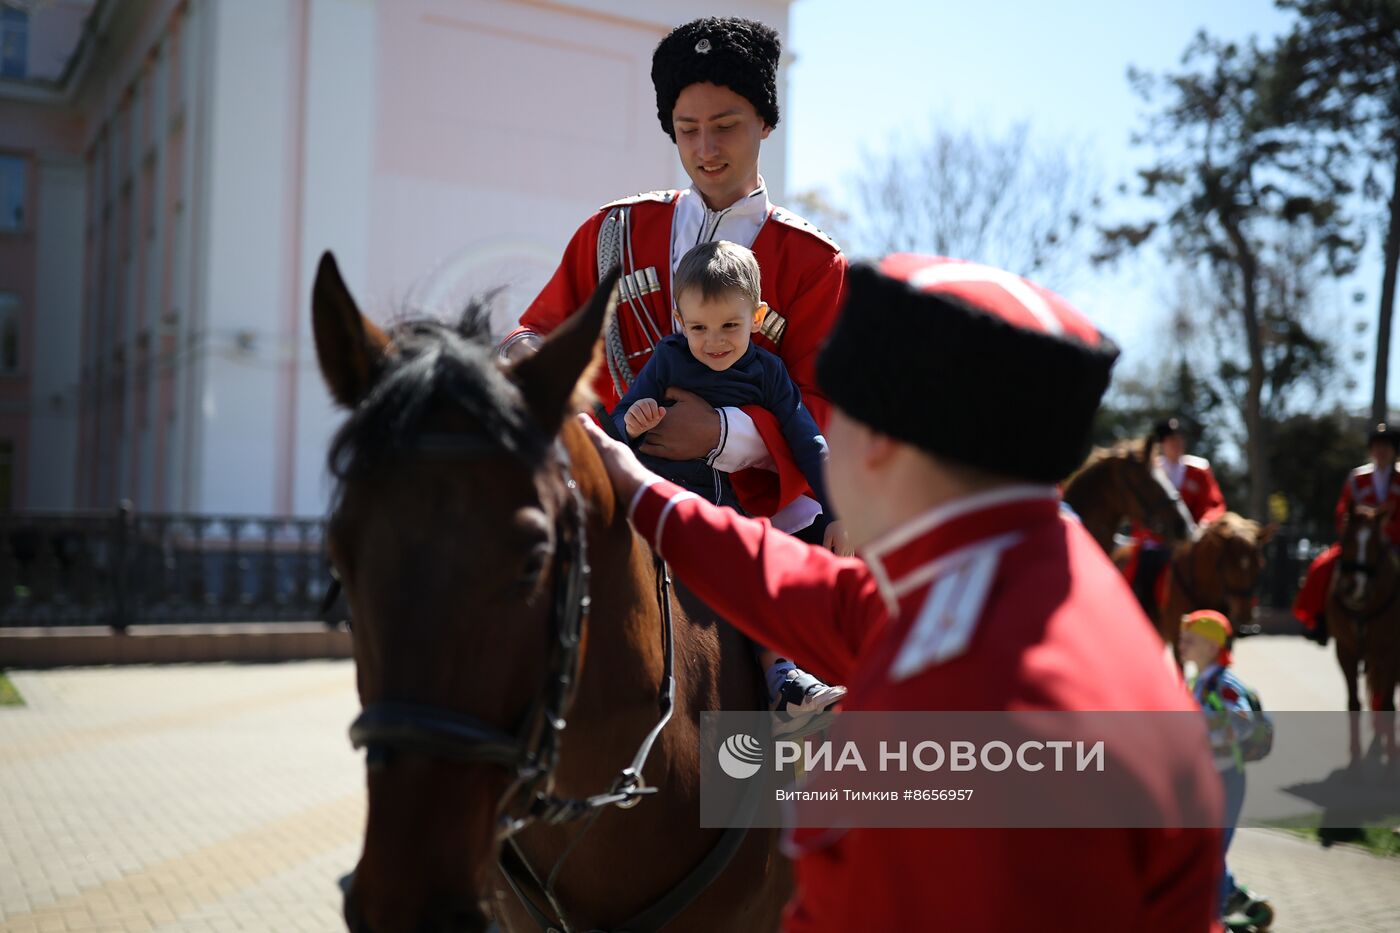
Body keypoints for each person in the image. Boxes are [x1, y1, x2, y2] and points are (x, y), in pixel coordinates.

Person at [578, 254, 1224, 932]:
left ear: (879, 441)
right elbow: (822, 596)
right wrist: (642, 490)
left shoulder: (980, 700)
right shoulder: (1023, 575)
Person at [502, 16, 846, 542]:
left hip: (759, 527)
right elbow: (535, 332)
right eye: (687, 130)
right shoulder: (613, 230)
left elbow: (823, 409)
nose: (705, 148)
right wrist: (527, 358)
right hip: (614, 508)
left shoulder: (814, 262)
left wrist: (722, 434)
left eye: (726, 125)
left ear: (766, 122)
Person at [615, 239, 848, 720]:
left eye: (730, 326)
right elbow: (619, 422)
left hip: (736, 509)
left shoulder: (769, 373)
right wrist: (633, 421)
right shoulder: (668, 359)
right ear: (679, 320)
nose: (713, 341)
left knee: (761, 566)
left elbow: (809, 442)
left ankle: (781, 676)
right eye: (698, 327)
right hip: (669, 500)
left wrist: (837, 511)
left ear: (757, 318)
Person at [1178, 610, 1274, 931]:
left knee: (1210, 848)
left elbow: (1243, 721)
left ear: (1210, 646)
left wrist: (1202, 733)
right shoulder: (1198, 681)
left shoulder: (1223, 682)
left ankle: (1213, 918)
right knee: (1201, 845)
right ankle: (1234, 897)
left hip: (1226, 779)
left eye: (1190, 639)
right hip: (1206, 779)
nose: (1181, 644)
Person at [1293, 422, 1400, 645]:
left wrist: (1386, 529)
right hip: (1359, 541)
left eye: (1386, 446)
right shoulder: (1358, 477)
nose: (1381, 451)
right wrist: (1356, 525)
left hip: (1393, 543)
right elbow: (1343, 509)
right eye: (1377, 446)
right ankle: (1319, 621)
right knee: (1322, 566)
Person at [1127, 417, 1227, 617]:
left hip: (1191, 540)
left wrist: (1204, 524)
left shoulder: (1199, 470)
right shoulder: (1150, 470)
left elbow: (1213, 503)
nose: (1177, 444)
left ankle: (1222, 614)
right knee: (1144, 568)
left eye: (1180, 439)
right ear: (1162, 444)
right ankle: (1143, 615)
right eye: (1171, 440)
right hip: (1156, 541)